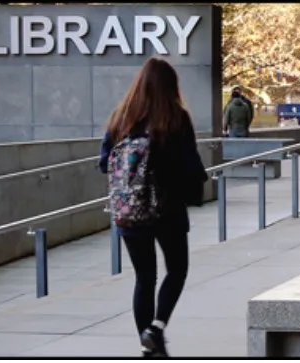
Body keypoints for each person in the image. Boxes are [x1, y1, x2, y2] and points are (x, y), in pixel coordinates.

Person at [97, 56, 208, 357]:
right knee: (177, 270)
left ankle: (148, 349)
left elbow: (104, 163)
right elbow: (190, 165)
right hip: (166, 209)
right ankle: (156, 329)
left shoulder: (120, 118)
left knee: (144, 278)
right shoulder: (175, 118)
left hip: (129, 211)